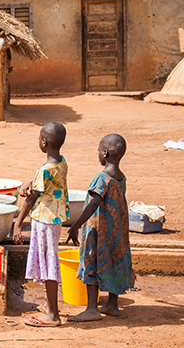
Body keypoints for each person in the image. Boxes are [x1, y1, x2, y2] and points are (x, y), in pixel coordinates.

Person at [66, 134, 135, 322]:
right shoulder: (121, 177)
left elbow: (93, 203)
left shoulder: (102, 177)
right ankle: (112, 305)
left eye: (98, 150)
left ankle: (91, 309)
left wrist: (76, 225)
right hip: (117, 232)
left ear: (104, 153)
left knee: (92, 261)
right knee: (114, 261)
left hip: (99, 232)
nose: (97, 153)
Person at [12, 122, 69, 327]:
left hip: (44, 220)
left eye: (39, 138)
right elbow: (42, 183)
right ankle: (49, 304)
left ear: (44, 142)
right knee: (48, 261)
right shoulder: (60, 163)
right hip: (54, 219)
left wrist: (17, 224)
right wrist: (31, 182)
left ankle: (53, 315)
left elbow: (30, 199)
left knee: (48, 265)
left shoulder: (45, 170)